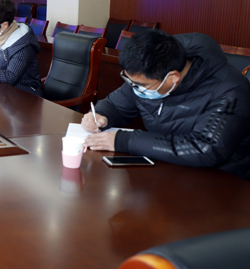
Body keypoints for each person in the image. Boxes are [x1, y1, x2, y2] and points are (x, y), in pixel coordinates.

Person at [82, 29, 250, 180]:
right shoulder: (149, 73)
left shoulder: (231, 91)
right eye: (130, 81)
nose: (135, 87)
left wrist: (126, 141)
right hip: (168, 170)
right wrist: (101, 114)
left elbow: (205, 149)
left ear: (173, 77)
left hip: (222, 182)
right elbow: (116, 105)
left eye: (140, 84)